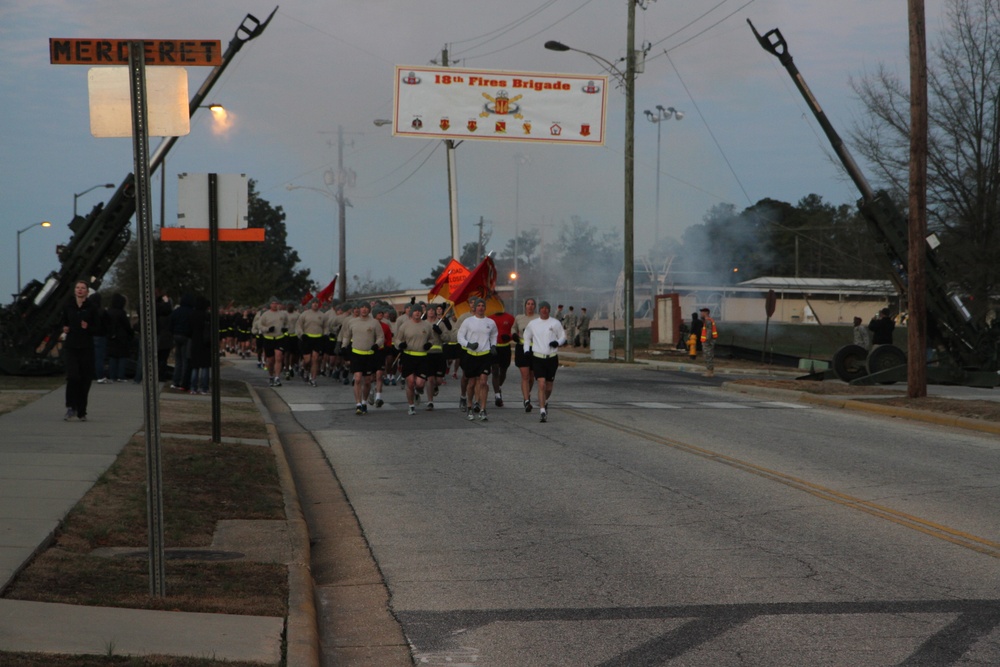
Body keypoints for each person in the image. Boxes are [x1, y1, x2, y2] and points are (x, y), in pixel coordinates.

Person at [522, 300, 566, 423]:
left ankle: (544, 401)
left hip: (551, 357)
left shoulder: (555, 323)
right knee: (541, 384)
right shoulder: (533, 324)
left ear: (549, 310)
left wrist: (557, 342)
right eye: (542, 308)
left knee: (548, 387)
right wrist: (526, 350)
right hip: (537, 357)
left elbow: (563, 336)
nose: (544, 310)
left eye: (546, 308)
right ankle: (542, 411)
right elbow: (527, 338)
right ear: (539, 310)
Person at [60, 280, 98, 421]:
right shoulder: (68, 306)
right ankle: (71, 406)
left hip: (86, 347)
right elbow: (63, 321)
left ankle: (82, 411)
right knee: (73, 376)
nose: (80, 290)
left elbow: (98, 328)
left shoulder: (92, 308)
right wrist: (64, 327)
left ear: (87, 292)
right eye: (77, 288)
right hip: (71, 346)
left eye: (83, 288)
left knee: (84, 379)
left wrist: (88, 327)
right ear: (74, 290)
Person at [457, 297, 498, 422]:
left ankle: (483, 409)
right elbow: (460, 336)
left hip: (485, 355)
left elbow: (494, 334)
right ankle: (469, 405)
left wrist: (493, 346)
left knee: (483, 382)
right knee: (471, 383)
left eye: (482, 305)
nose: (480, 307)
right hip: (471, 355)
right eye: (478, 305)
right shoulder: (468, 321)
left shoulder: (490, 322)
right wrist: (468, 344)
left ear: (485, 308)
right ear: (474, 308)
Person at [340, 301, 384, 415]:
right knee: (358, 378)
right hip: (356, 354)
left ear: (369, 310)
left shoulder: (374, 323)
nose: (364, 309)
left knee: (368, 381)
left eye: (366, 308)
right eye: (362, 307)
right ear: (358, 309)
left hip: (369, 355)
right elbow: (346, 336)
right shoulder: (352, 322)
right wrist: (344, 347)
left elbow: (380, 337)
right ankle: (358, 404)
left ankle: (364, 402)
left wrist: (376, 345)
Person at [395, 304, 433, 415]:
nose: (417, 313)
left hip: (422, 357)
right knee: (410, 382)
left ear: (422, 313)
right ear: (411, 313)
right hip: (408, 356)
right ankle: (411, 406)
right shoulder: (405, 325)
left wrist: (429, 344)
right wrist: (400, 344)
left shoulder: (426, 325)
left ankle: (418, 391)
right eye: (415, 311)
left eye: (419, 311)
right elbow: (397, 339)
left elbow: (432, 338)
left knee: (420, 383)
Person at [511, 297, 539, 411]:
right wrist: (514, 335)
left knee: (532, 377)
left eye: (532, 304)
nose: (530, 306)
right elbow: (513, 328)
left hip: (535, 348)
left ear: (535, 306)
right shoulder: (519, 318)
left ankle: (528, 393)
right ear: (525, 306)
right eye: (528, 304)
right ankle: (527, 400)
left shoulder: (538, 318)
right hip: (522, 348)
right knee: (525, 376)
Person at [489, 302, 515, 407]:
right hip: (494, 348)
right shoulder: (490, 319)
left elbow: (515, 332)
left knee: (503, 371)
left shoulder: (510, 318)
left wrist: (509, 337)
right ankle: (497, 395)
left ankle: (498, 387)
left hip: (505, 348)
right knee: (495, 371)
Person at [258, 296, 289, 386]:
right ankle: (271, 376)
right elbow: (260, 326)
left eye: (276, 303)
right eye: (273, 303)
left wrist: (285, 329)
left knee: (279, 357)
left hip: (279, 338)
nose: (275, 305)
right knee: (271, 361)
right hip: (269, 339)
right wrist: (267, 329)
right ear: (270, 304)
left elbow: (287, 324)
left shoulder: (283, 314)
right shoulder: (265, 315)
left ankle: (277, 378)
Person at [169, 293, 195, 391]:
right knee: (185, 360)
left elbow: (170, 323)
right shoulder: (191, 312)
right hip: (186, 336)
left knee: (178, 360)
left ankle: (175, 381)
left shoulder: (176, 311)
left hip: (176, 335)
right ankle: (183, 382)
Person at [105, 293, 133, 382]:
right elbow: (127, 326)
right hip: (122, 337)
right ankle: (120, 376)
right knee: (122, 357)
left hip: (111, 337)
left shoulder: (109, 312)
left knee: (113, 357)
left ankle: (112, 376)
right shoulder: (121, 313)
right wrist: (130, 334)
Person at [187, 296, 213, 394]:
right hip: (205, 343)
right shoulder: (207, 316)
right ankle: (204, 388)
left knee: (195, 366)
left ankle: (193, 387)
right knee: (205, 366)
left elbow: (188, 329)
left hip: (195, 341)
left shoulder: (192, 315)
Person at [699, 307, 718, 377]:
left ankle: (709, 372)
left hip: (707, 342)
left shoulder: (708, 320)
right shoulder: (709, 320)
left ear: (705, 313)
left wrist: (707, 341)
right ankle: (710, 371)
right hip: (709, 341)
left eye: (702, 312)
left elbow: (709, 332)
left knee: (708, 356)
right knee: (709, 356)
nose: (701, 314)